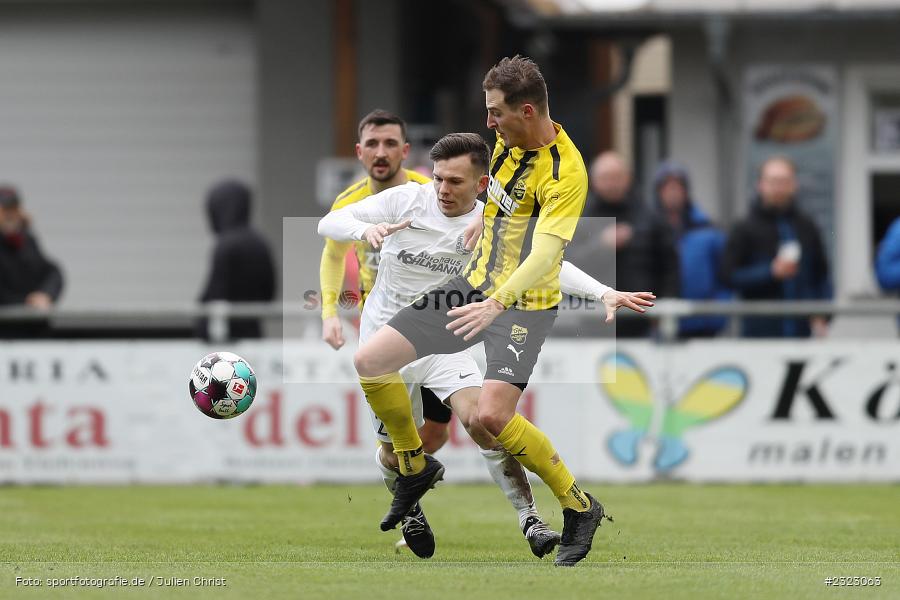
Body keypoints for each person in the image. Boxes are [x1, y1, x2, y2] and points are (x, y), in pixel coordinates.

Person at [352, 56, 654, 567]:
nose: (488, 122)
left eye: (495, 112)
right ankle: (413, 466)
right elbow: (499, 209)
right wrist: (481, 223)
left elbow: (544, 255)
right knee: (371, 360)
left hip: (523, 307)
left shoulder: (567, 172)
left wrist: (507, 300)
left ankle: (578, 506)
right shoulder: (506, 148)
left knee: (492, 416)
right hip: (471, 288)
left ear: (527, 110)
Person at [318, 110, 454, 478]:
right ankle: (412, 519)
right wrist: (329, 314)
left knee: (436, 433)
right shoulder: (350, 203)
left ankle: (408, 484)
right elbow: (333, 254)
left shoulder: (430, 192)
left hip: (433, 327)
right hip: (381, 330)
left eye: (390, 143)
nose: (381, 152)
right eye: (373, 144)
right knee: (395, 441)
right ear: (359, 152)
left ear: (405, 150)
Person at [566, 151, 679, 338]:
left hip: (640, 320)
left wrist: (664, 306)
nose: (611, 184)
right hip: (594, 318)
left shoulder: (649, 217)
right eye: (605, 178)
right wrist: (602, 246)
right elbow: (567, 264)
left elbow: (669, 266)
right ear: (593, 180)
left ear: (628, 179)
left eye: (616, 177)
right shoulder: (579, 218)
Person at [720, 156, 830, 338]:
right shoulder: (745, 227)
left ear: (794, 185)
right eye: (773, 181)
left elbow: (821, 275)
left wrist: (823, 314)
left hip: (801, 333)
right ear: (760, 185)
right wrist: (770, 272)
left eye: (784, 181)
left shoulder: (807, 226)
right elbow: (728, 276)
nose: (779, 188)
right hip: (760, 333)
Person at [652, 160, 731, 338]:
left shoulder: (708, 231)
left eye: (677, 187)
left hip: (703, 325)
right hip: (657, 324)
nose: (673, 193)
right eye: (667, 187)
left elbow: (725, 276)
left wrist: (717, 316)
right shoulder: (647, 230)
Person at [197, 179, 276, 340]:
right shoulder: (260, 243)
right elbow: (269, 292)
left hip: (224, 338)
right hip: (253, 331)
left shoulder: (225, 245)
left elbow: (217, 293)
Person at [0, 185, 64, 337]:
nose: (9, 214)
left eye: (13, 209)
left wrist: (45, 295)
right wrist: (27, 302)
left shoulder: (26, 241)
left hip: (31, 331)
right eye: (4, 209)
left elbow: (52, 272)